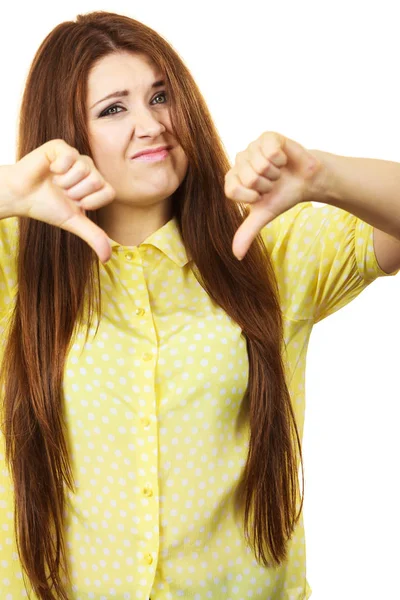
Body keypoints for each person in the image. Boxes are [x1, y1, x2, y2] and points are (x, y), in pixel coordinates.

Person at [0, 9, 399, 600]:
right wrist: (6, 191)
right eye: (114, 109)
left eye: (161, 97)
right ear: (66, 133)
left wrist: (321, 175)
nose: (152, 124)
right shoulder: (15, 265)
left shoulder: (266, 250)